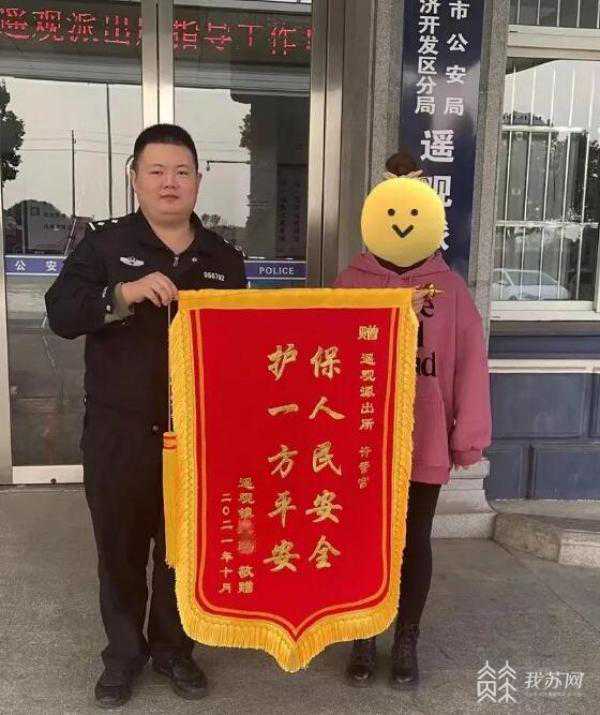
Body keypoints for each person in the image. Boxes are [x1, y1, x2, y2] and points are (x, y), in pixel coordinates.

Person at [45, 124, 247, 708]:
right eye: (156, 171)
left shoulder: (223, 259)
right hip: (119, 438)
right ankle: (123, 656)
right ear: (134, 178)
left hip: (195, 439)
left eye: (181, 172)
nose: (169, 183)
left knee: (184, 553)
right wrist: (122, 295)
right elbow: (62, 314)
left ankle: (174, 651)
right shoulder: (104, 246)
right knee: (121, 552)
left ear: (198, 180)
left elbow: (248, 345)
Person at [335, 148, 491, 689]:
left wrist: (468, 437)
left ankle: (406, 635)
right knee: (363, 536)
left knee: (414, 537)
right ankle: (363, 632)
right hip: (362, 436)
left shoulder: (451, 290)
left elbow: (470, 364)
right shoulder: (350, 283)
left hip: (424, 434)